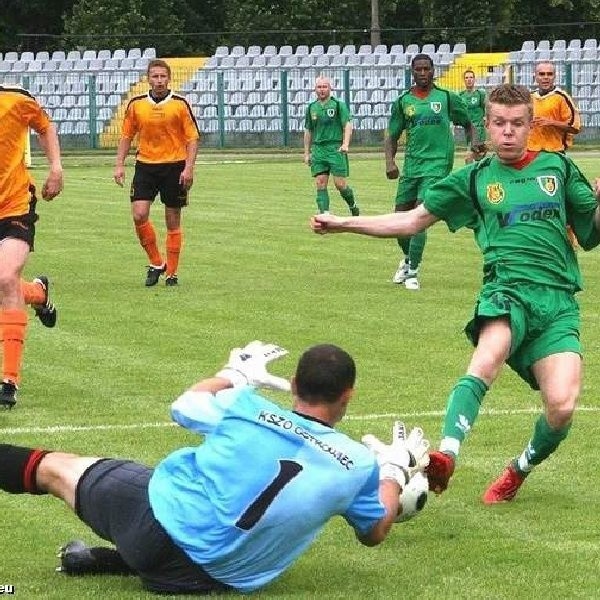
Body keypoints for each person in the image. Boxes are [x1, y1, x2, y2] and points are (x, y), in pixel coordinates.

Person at [312, 83, 600, 504]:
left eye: (516, 124)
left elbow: (592, 229)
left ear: (530, 124)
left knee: (561, 407)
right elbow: (412, 221)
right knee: (487, 358)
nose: (507, 132)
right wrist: (343, 223)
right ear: (487, 123)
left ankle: (518, 470)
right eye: (499, 123)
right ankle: (444, 456)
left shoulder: (557, 168)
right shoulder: (475, 177)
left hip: (557, 302)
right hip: (506, 291)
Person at [0, 341, 429, 594]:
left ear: (294, 385)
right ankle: (118, 561)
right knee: (200, 531)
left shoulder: (246, 408)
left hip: (150, 524)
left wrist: (237, 374)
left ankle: (129, 554)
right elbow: (375, 532)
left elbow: (184, 405)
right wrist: (392, 470)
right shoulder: (355, 463)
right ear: (348, 395)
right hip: (211, 578)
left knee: (52, 468)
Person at [386, 54, 484, 290]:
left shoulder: (446, 98)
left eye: (426, 69)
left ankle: (413, 273)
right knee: (400, 218)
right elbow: (391, 136)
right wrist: (389, 162)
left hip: (438, 164)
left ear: (433, 71)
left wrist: (474, 142)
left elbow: (468, 123)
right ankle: (408, 258)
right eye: (418, 69)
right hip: (412, 166)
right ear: (412, 72)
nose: (422, 73)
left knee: (420, 213)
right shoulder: (403, 102)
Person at [0, 84, 62, 408]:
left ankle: (8, 381)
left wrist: (56, 167)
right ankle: (38, 294)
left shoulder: (16, 100)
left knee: (5, 277)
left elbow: (45, 126)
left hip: (14, 205)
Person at [114, 59, 200, 287]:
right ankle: (156, 262)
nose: (159, 81)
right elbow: (126, 136)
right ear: (148, 79)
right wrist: (119, 164)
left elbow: (192, 138)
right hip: (145, 166)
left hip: (174, 166)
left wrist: (189, 167)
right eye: (155, 76)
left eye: (163, 76)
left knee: (172, 221)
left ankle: (171, 273)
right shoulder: (136, 105)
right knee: (139, 214)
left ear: (168, 78)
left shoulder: (180, 104)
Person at [304, 76, 360, 216]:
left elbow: (347, 124)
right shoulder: (311, 108)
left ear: (330, 88)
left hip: (335, 148)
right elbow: (308, 130)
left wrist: (345, 144)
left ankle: (353, 206)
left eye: (324, 87)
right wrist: (307, 153)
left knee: (340, 184)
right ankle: (325, 215)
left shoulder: (338, 105)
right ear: (315, 89)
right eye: (319, 87)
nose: (322, 90)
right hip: (318, 150)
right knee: (320, 182)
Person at [528, 61, 581, 154]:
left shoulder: (562, 97)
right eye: (541, 74)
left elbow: (574, 128)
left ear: (554, 77)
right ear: (535, 77)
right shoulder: (529, 97)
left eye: (549, 74)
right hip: (530, 151)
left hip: (554, 151)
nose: (545, 77)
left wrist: (551, 122)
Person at [459, 69, 487, 164]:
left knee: (470, 156)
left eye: (471, 77)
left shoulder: (480, 94)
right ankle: (474, 175)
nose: (469, 79)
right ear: (464, 80)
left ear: (474, 79)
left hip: (478, 129)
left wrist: (485, 119)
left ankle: (471, 175)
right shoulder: (461, 96)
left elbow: (485, 109)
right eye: (466, 78)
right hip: (468, 130)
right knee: (477, 157)